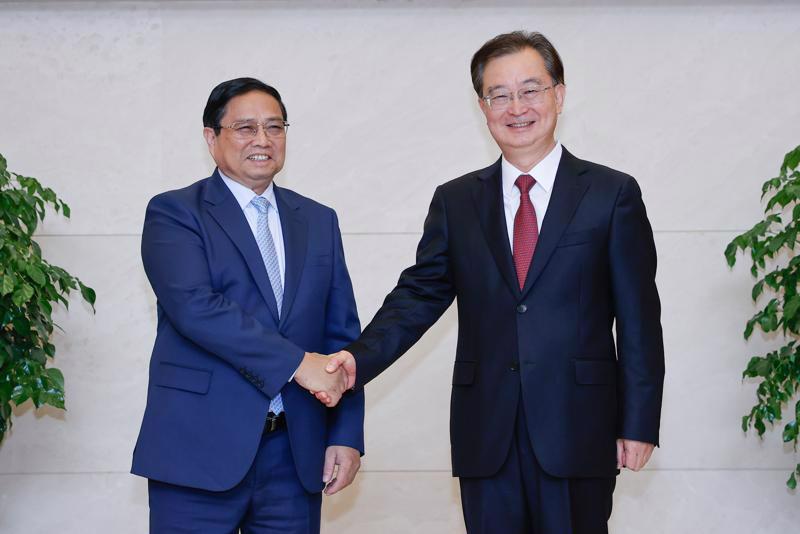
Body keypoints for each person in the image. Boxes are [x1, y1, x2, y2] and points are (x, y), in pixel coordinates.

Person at [324, 31, 665, 534]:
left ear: (559, 94)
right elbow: (419, 295)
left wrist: (637, 423)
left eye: (531, 89)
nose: (516, 107)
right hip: (486, 431)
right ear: (482, 106)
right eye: (499, 94)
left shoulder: (611, 193)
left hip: (579, 427)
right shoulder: (457, 201)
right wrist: (357, 359)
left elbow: (639, 318)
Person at [131, 77, 363, 534]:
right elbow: (197, 307)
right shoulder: (175, 213)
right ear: (211, 137)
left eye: (275, 127)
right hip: (197, 452)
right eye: (245, 127)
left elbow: (341, 336)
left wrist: (346, 435)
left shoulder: (318, 220)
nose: (263, 140)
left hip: (295, 456)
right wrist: (298, 363)